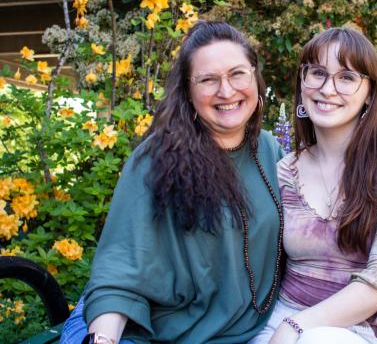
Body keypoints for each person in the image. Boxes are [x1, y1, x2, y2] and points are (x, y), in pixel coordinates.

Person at [60, 21, 285, 344]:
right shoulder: (156, 158)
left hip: (243, 332)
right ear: (189, 93)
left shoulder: (269, 151)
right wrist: (104, 340)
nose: (226, 91)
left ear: (255, 76)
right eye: (208, 80)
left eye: (238, 74)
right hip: (144, 331)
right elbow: (120, 269)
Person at [250, 28, 377, 344]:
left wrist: (295, 328)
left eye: (346, 77)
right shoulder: (283, 171)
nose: (328, 88)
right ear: (302, 85)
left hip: (354, 331)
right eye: (317, 73)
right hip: (279, 320)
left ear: (370, 93)